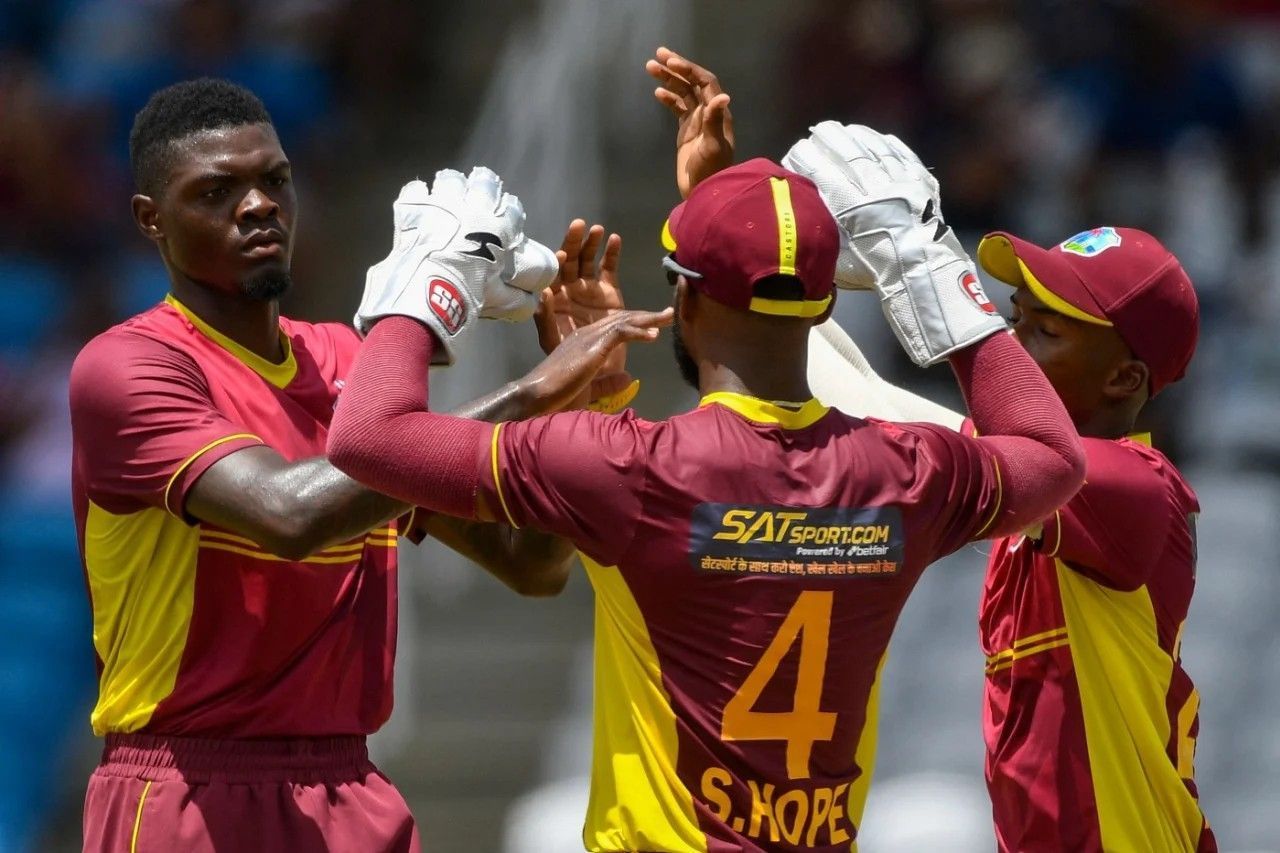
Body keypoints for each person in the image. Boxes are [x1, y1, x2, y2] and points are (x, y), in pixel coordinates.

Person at [326, 143, 1086, 849]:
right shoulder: (908, 471)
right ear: (824, 309)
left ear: (683, 301)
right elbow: (1053, 456)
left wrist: (427, 284)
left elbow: (369, 438)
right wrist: (927, 266)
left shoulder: (628, 469)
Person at [646, 48, 1214, 852]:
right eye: (1017, 312)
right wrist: (726, 218)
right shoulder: (1041, 500)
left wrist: (922, 259)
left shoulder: (1137, 492)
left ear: (1125, 377)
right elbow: (846, 391)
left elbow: (916, 423)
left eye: (1045, 330)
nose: (1014, 335)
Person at [69, 77, 621, 852]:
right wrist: (525, 395)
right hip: (186, 791)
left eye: (274, 180)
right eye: (217, 190)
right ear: (150, 220)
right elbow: (290, 515)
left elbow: (531, 564)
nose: (259, 204)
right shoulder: (127, 367)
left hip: (351, 792)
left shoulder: (348, 364)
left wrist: (575, 399)